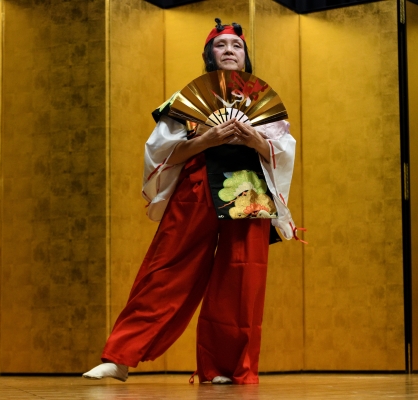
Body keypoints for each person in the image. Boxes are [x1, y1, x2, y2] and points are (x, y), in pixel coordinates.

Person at [83, 18, 303, 385]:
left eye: (237, 46)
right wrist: (206, 140)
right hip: (196, 185)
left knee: (241, 277)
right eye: (221, 45)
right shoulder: (185, 100)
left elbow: (281, 152)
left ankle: (224, 367)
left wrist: (253, 140)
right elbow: (160, 153)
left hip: (247, 191)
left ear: (245, 57)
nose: (229, 50)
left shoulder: (261, 100)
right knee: (166, 269)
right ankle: (119, 357)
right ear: (209, 55)